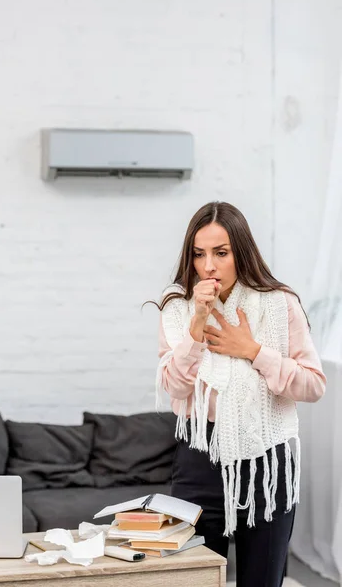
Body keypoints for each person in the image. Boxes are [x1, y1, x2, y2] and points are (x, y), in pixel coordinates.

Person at [154, 202, 326, 587]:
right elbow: (176, 387)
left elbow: (314, 384)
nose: (209, 266)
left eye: (221, 253)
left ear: (241, 252)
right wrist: (197, 325)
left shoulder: (281, 304)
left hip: (267, 461)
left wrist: (252, 350)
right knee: (194, 579)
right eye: (199, 254)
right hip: (201, 455)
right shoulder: (177, 310)